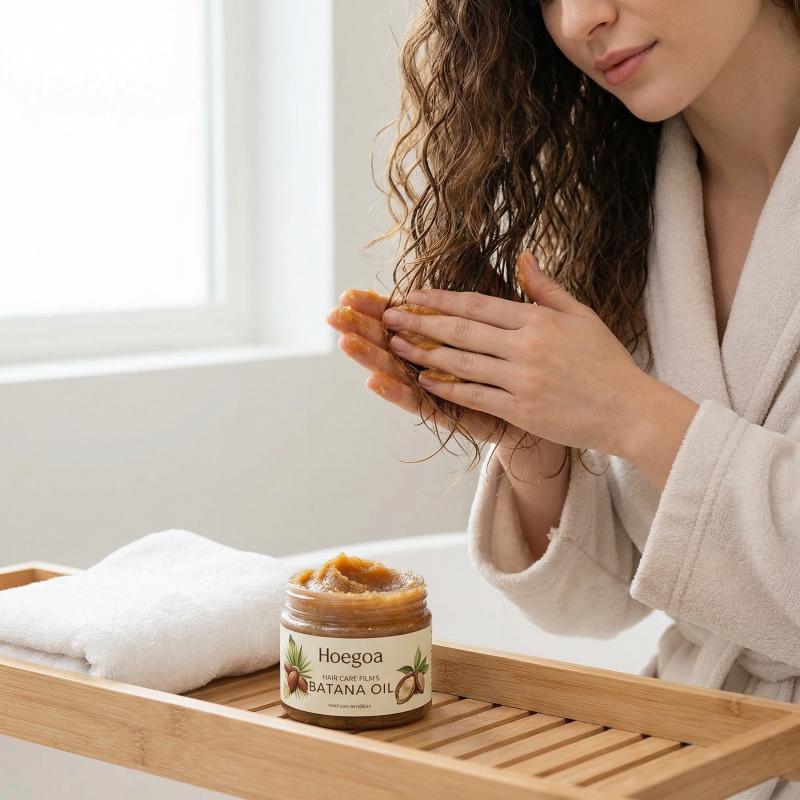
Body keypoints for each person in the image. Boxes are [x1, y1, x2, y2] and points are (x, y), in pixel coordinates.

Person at [327, 3, 800, 797]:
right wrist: (534, 443)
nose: (581, 18)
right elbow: (608, 604)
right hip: (699, 750)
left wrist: (630, 412)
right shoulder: (627, 205)